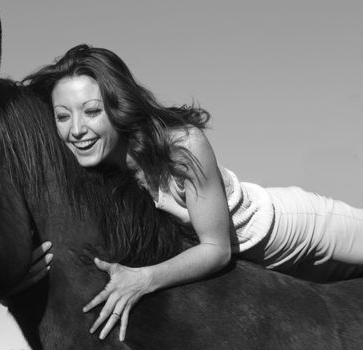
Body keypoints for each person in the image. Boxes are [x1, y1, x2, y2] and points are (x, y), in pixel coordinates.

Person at [18, 44, 363, 342]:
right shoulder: (84, 167)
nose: (76, 130)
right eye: (62, 117)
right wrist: (20, 275)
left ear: (117, 105)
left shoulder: (181, 146)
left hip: (288, 231)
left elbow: (216, 249)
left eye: (91, 111)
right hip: (261, 274)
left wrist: (143, 279)